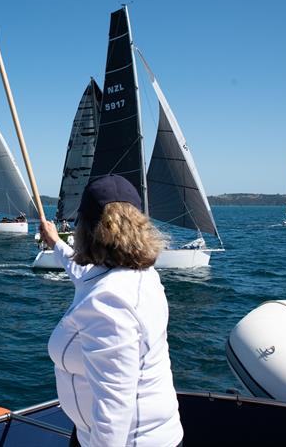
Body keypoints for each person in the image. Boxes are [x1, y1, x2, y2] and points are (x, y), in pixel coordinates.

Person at [39, 174, 183, 447]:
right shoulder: (140, 275)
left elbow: (114, 411)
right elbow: (80, 271)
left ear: (87, 230)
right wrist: (56, 243)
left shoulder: (109, 302)